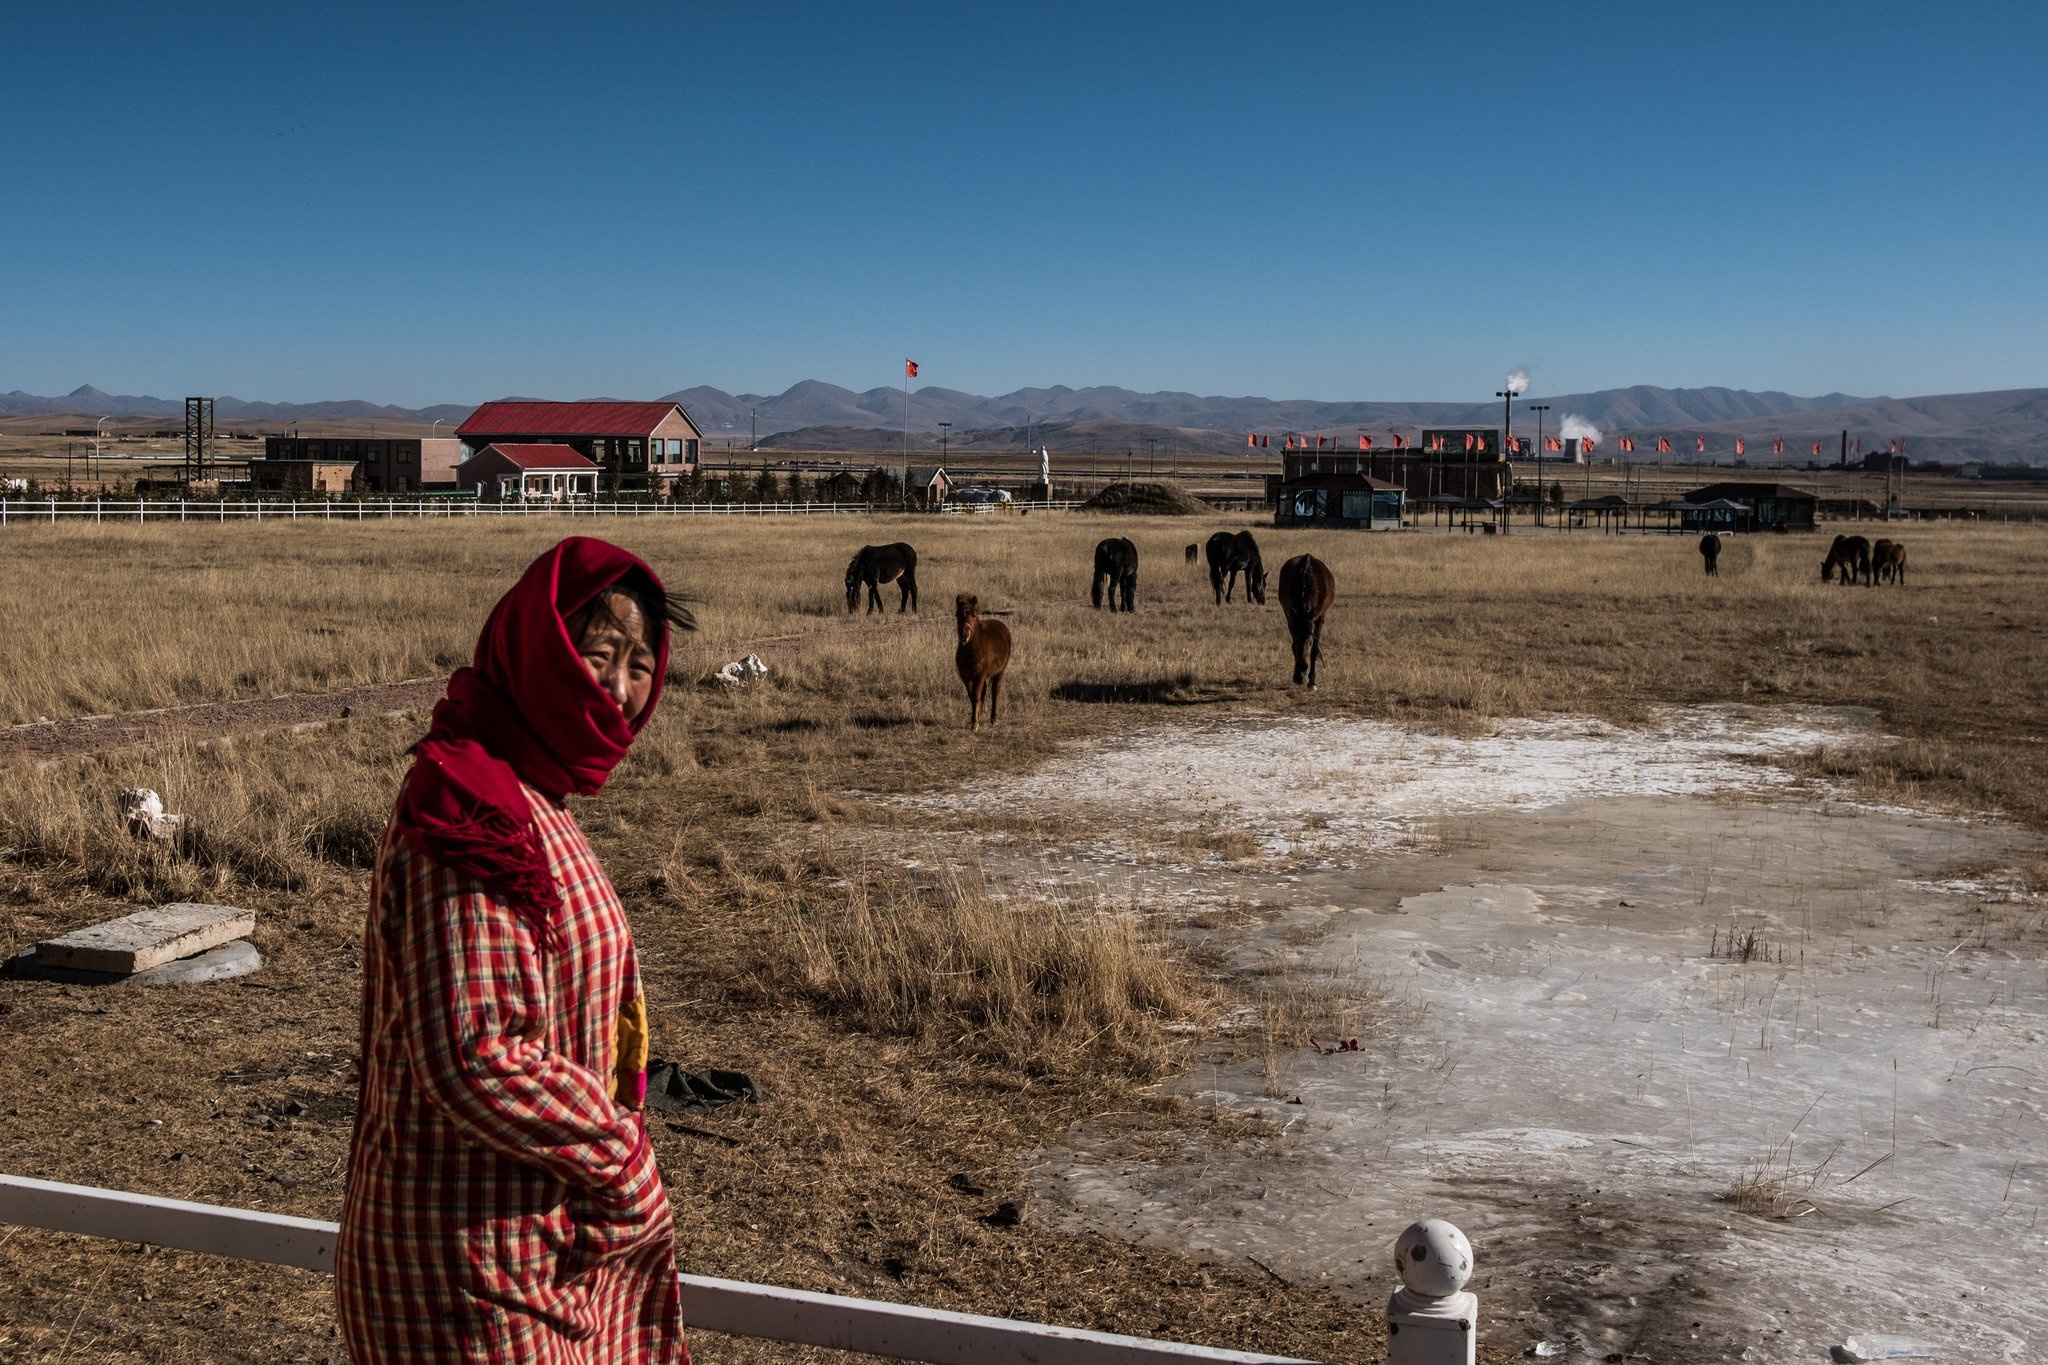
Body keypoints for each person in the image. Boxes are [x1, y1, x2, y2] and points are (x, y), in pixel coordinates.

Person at [338, 536, 693, 1363]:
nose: (617, 687)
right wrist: (624, 1160)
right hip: (470, 1274)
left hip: (530, 1253)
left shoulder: (527, 785)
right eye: (597, 654)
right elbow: (476, 1054)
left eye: (639, 664)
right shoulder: (474, 802)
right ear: (540, 647)